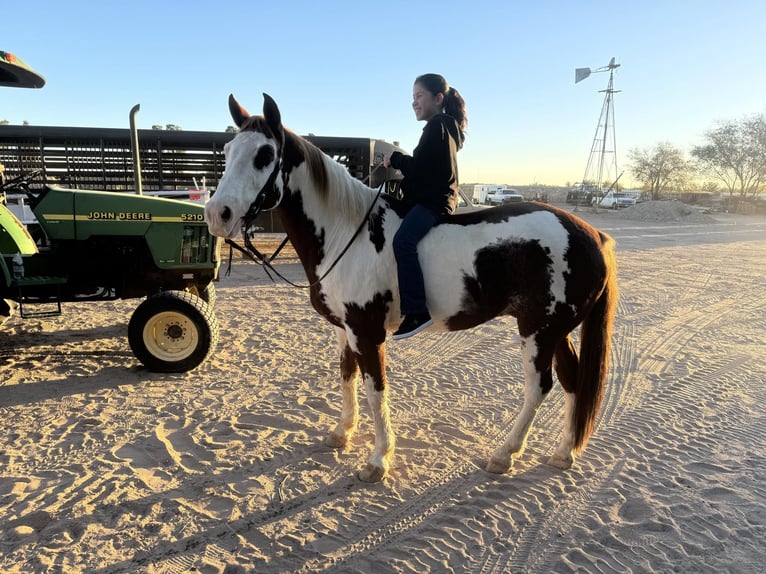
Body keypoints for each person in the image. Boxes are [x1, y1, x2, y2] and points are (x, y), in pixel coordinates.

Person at [383, 73, 467, 340]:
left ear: (438, 98)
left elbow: (419, 170)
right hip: (436, 199)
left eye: (419, 96)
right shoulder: (445, 127)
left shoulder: (437, 126)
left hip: (434, 203)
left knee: (403, 242)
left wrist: (395, 160)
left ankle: (417, 312)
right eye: (413, 97)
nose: (414, 103)